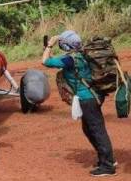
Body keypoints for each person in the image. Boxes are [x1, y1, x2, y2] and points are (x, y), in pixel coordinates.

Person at [42, 30, 117, 177]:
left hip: (87, 99)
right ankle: (105, 159)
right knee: (88, 129)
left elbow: (45, 61)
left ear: (66, 46)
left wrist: (50, 45)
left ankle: (109, 165)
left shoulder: (70, 60)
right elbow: (54, 60)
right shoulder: (81, 54)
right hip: (93, 95)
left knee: (97, 130)